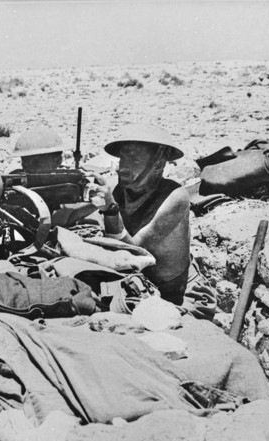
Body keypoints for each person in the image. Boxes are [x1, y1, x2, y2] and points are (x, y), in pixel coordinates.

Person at [91, 123, 216, 319]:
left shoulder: (174, 197)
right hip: (133, 284)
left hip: (174, 295)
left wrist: (111, 210)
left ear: (158, 165)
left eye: (134, 159)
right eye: (123, 157)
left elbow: (133, 254)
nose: (124, 166)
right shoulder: (116, 187)